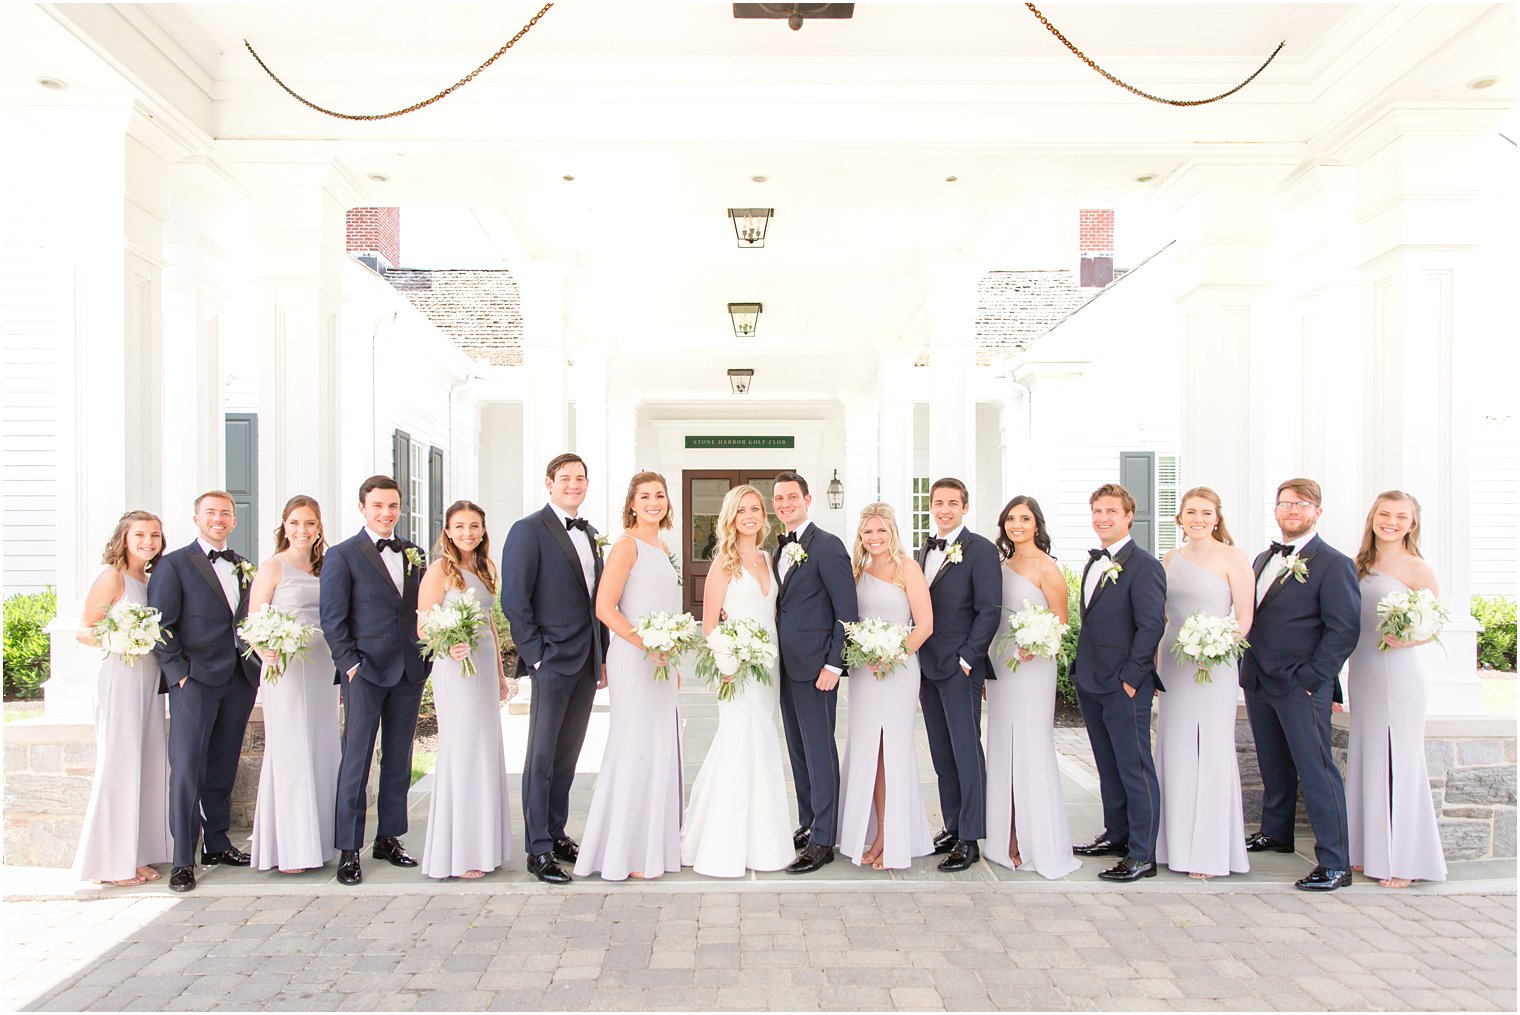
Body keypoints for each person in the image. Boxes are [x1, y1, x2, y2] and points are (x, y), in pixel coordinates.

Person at [1240, 477, 1360, 891]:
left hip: (1300, 684)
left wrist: (1312, 680)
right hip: (1258, 679)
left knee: (1316, 770)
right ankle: (1277, 832)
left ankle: (1335, 863)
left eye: (1302, 504)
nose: (1292, 510)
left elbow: (1343, 630)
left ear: (1317, 512)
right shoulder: (1260, 559)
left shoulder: (1334, 563)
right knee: (1274, 764)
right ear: (1276, 510)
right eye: (1285, 503)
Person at [501, 453, 609, 885]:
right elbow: (515, 600)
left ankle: (557, 831)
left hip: (585, 659)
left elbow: (595, 600)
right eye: (565, 478)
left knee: (568, 754)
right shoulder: (528, 530)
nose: (574, 484)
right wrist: (537, 655)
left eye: (580, 478)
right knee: (542, 755)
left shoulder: (592, 533)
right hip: (551, 659)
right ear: (549, 483)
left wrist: (600, 657)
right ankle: (538, 848)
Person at [319, 475, 431, 887]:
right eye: (378, 506)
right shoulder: (343, 555)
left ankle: (389, 837)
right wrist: (349, 664)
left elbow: (422, 610)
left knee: (399, 759)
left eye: (393, 506)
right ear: (363, 508)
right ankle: (349, 849)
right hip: (364, 671)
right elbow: (332, 617)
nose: (386, 513)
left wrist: (428, 655)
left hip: (408, 670)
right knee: (357, 760)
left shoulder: (414, 554)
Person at [149, 491, 262, 892]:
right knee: (187, 769)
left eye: (225, 514)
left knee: (223, 764)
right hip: (195, 680)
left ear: (234, 521)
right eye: (211, 513)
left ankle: (217, 842)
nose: (218, 519)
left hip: (239, 679)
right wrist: (180, 674)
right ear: (196, 518)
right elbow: (159, 625)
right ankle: (184, 858)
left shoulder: (246, 566)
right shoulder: (174, 565)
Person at [682, 484, 795, 877]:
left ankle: (764, 839)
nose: (750, 515)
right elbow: (710, 625)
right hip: (737, 670)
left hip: (769, 668)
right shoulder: (722, 564)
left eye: (756, 509)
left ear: (764, 516)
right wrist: (728, 661)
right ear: (730, 517)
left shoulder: (770, 557)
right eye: (742, 509)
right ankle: (724, 843)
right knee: (737, 741)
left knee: (762, 740)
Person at [576, 472, 684, 881]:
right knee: (635, 746)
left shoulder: (661, 545)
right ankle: (626, 850)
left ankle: (654, 844)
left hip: (660, 660)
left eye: (659, 495)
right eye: (645, 496)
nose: (654, 502)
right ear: (632, 504)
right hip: (633, 656)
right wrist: (647, 644)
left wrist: (669, 655)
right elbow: (605, 607)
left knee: (659, 746)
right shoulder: (626, 545)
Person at [1347, 490, 1448, 888]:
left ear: (1412, 524)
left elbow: (1434, 622)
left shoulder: (1417, 568)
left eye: (1400, 516)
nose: (1391, 521)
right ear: (1373, 517)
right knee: (1368, 757)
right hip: (1363, 671)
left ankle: (1405, 860)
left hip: (1398, 672)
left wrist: (1409, 639)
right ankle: (1368, 850)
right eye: (1384, 514)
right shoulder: (1359, 564)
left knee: (1399, 761)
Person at [1070, 482, 1167, 883]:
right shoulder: (1095, 562)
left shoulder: (1145, 565)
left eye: (1111, 511)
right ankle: (1116, 834)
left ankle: (1143, 854)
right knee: (1107, 765)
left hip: (1124, 684)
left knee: (1134, 767)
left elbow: (1150, 627)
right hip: (1091, 680)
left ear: (1129, 516)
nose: (1103, 518)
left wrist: (1131, 679)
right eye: (1097, 511)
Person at [1154, 487, 1254, 879]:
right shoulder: (1170, 558)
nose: (1197, 518)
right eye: (1190, 512)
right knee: (1175, 746)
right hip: (1175, 661)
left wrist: (1215, 646)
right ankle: (1172, 844)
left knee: (1209, 748)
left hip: (1216, 662)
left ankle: (1210, 851)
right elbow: (1164, 616)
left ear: (1217, 517)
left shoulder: (1233, 558)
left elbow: (1244, 618)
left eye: (1205, 512)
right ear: (1180, 517)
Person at [72, 510, 172, 887]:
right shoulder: (112, 577)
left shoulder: (149, 579)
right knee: (120, 764)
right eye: (141, 535)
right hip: (120, 677)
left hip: (147, 679)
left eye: (155, 536)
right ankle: (111, 863)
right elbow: (84, 631)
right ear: (124, 538)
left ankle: (137, 853)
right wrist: (123, 639)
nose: (148, 542)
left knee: (144, 763)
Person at [984, 496, 1079, 880]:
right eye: (1010, 518)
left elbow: (1061, 622)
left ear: (1037, 524)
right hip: (1002, 669)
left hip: (1033, 668)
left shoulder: (1047, 568)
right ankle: (1004, 834)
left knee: (1029, 747)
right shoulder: (1001, 565)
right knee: (1002, 748)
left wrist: (1035, 644)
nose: (1016, 524)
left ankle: (1033, 838)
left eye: (1024, 518)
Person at [418, 500, 513, 880]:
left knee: (486, 747)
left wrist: (502, 676)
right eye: (460, 527)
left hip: (484, 667)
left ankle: (486, 845)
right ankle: (459, 851)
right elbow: (423, 627)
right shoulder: (439, 571)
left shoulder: (486, 567)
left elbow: (488, 620)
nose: (467, 533)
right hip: (454, 666)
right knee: (463, 748)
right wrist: (448, 644)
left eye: (474, 526)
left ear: (483, 530)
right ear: (448, 531)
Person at [837, 503, 935, 871]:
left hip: (898, 670)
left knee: (892, 749)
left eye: (881, 531)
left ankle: (889, 838)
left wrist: (893, 655)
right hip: (864, 672)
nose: (874, 538)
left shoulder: (908, 569)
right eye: (867, 532)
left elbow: (924, 625)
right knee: (868, 751)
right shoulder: (856, 570)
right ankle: (873, 831)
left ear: (892, 532)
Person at [771, 471, 859, 874]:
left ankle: (824, 838)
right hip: (786, 669)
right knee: (799, 751)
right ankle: (809, 823)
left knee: (820, 751)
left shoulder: (827, 546)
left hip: (817, 668)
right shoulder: (779, 550)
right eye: (779, 498)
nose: (785, 504)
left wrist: (833, 663)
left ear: (808, 500)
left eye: (792, 497)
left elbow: (847, 612)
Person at [247, 496, 340, 875]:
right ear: (284, 526)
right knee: (290, 749)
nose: (303, 530)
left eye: (310, 524)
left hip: (322, 666)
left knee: (321, 746)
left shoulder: (326, 565)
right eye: (296, 523)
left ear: (319, 528)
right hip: (285, 668)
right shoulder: (273, 567)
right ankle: (290, 847)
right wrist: (264, 649)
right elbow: (253, 621)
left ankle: (320, 842)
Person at [915, 477, 1001, 873]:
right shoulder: (923, 550)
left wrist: (968, 659)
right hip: (926, 666)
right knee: (941, 752)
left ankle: (971, 837)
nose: (945, 509)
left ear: (965, 507)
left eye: (953, 503)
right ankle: (951, 825)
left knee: (966, 751)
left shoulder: (981, 550)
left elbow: (989, 610)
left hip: (960, 668)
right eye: (939, 502)